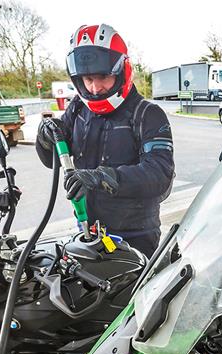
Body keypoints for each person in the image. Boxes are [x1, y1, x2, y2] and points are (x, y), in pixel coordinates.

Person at [35, 24, 174, 257]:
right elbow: (53, 160)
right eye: (88, 79)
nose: (95, 88)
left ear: (121, 72)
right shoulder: (78, 109)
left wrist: (101, 177)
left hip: (135, 236)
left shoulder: (148, 114)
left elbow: (160, 174)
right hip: (89, 230)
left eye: (103, 77)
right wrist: (46, 137)